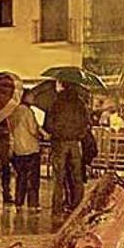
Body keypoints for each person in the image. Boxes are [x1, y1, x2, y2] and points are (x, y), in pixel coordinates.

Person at [44, 81, 88, 214]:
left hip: (60, 142)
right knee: (77, 175)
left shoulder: (56, 103)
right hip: (75, 142)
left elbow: (49, 124)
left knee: (59, 176)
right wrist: (79, 134)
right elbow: (86, 122)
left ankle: (57, 206)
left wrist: (57, 133)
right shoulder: (80, 104)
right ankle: (77, 205)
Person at [9, 92, 42, 210]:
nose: (33, 98)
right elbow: (33, 130)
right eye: (31, 96)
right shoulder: (27, 112)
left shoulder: (12, 112)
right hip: (31, 148)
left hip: (18, 149)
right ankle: (33, 203)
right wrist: (40, 134)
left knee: (20, 177)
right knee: (32, 178)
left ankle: (19, 202)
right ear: (26, 97)